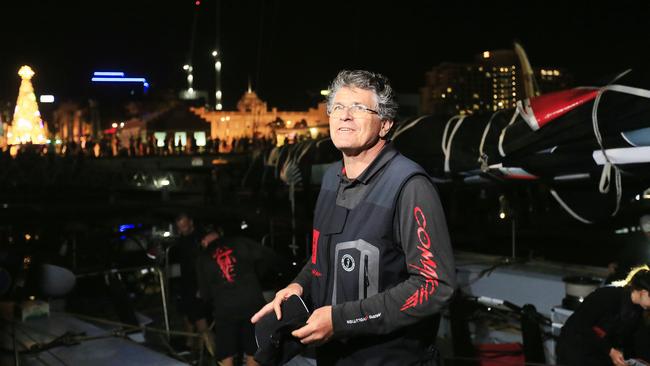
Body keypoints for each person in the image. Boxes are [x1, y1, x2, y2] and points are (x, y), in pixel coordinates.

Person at [251, 70, 456, 365]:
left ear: (385, 124)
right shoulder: (332, 179)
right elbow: (324, 257)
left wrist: (341, 320)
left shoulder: (410, 186)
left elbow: (435, 286)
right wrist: (299, 286)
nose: (344, 116)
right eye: (337, 107)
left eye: (358, 108)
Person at [197, 227, 280, 366]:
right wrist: (256, 275)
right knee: (254, 349)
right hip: (251, 303)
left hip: (225, 309)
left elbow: (205, 293)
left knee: (226, 352)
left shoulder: (202, 257)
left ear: (204, 241)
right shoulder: (240, 242)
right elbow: (269, 255)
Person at [557, 265, 650, 366]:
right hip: (575, 349)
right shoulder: (607, 296)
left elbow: (634, 341)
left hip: (598, 352)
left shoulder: (637, 310)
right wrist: (610, 351)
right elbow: (582, 326)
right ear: (643, 292)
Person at [172, 213, 214, 353]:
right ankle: (190, 346)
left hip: (199, 284)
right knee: (187, 315)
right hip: (186, 284)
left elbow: (206, 262)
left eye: (184, 226)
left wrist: (202, 286)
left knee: (201, 321)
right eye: (180, 227)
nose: (182, 229)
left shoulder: (200, 238)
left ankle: (210, 352)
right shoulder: (182, 239)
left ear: (191, 222)